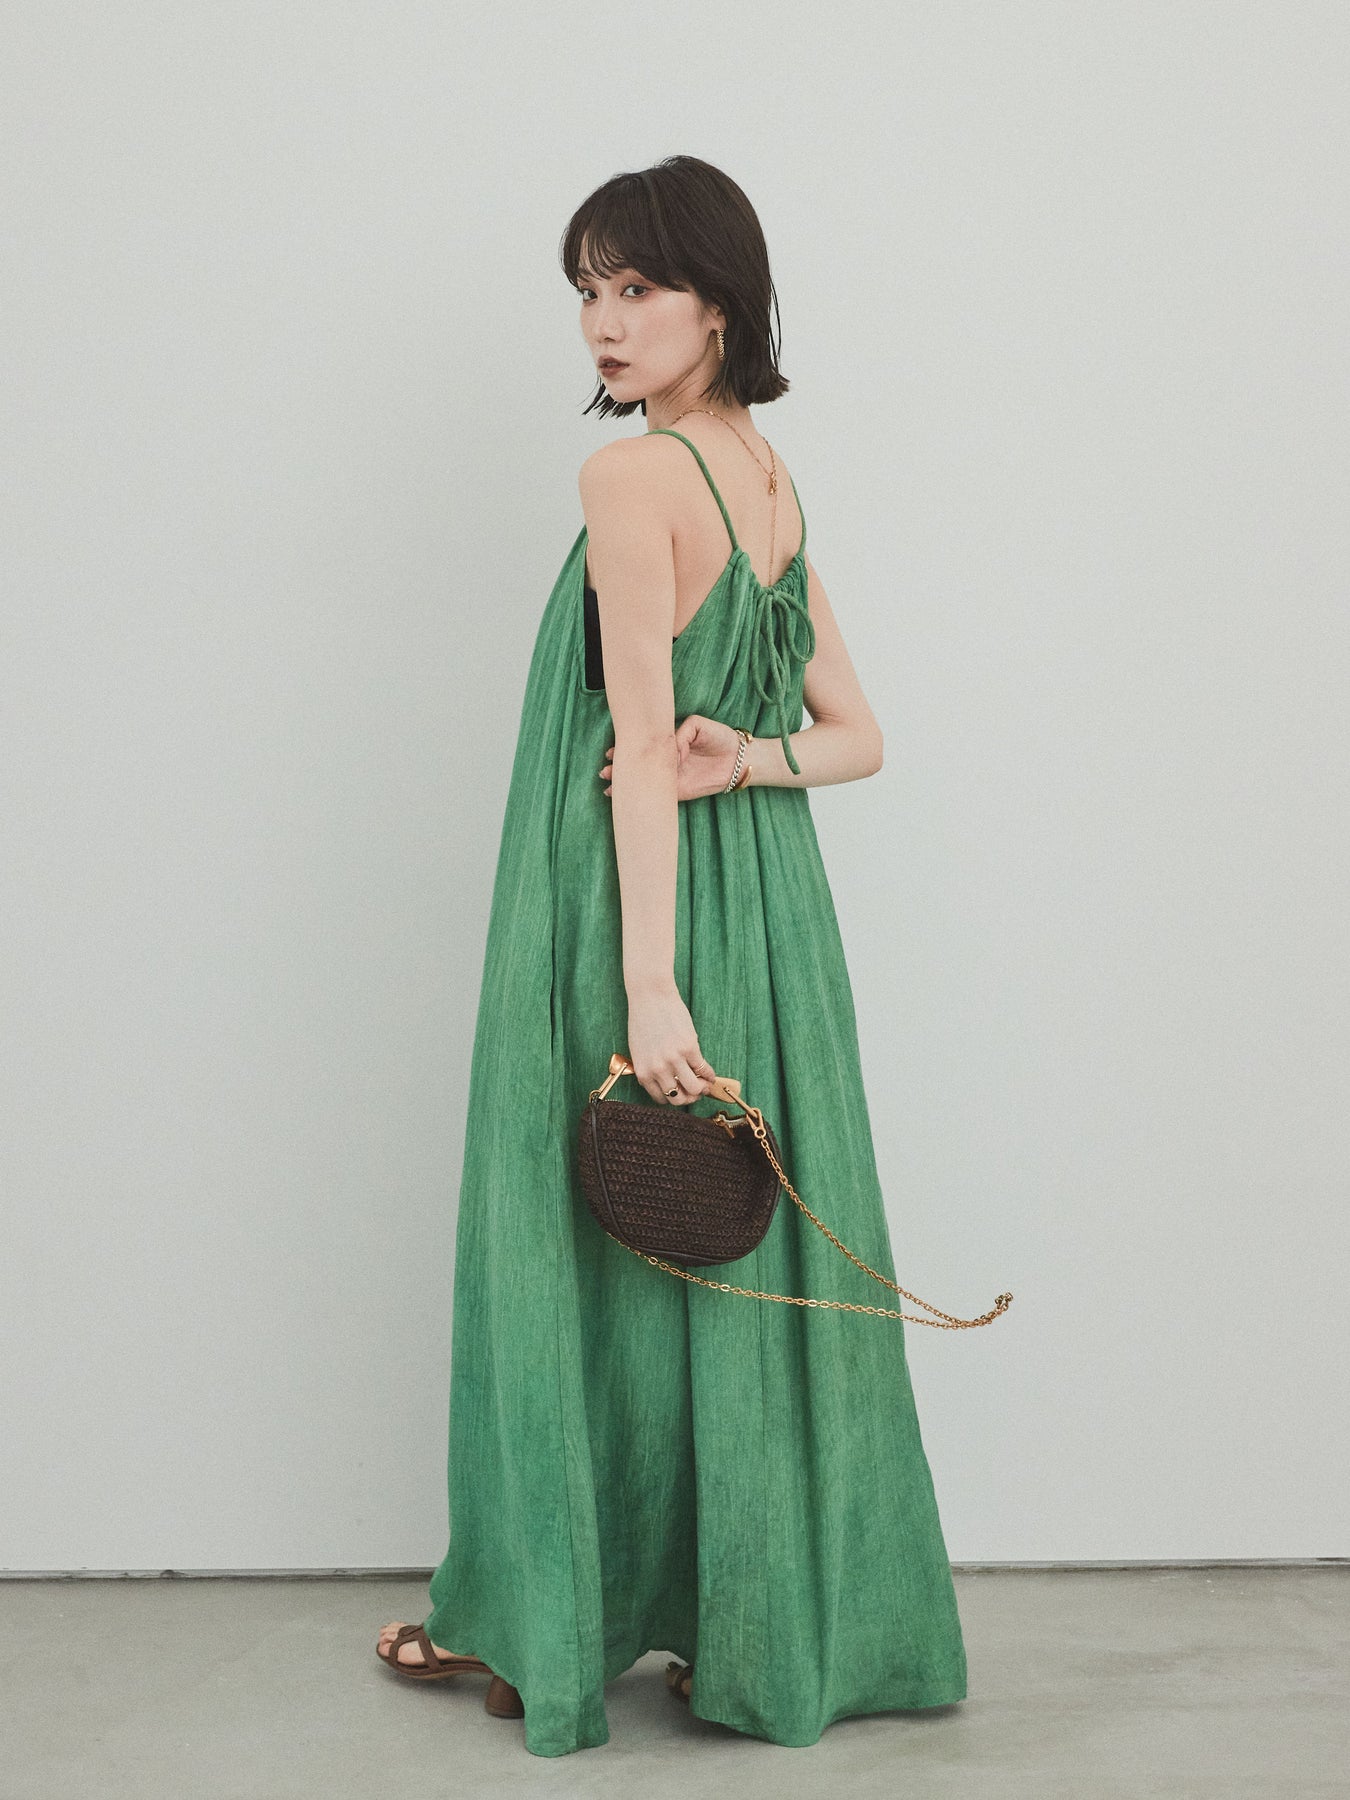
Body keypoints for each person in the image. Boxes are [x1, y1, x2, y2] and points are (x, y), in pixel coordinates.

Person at [375, 154, 968, 1757]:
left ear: (721, 302)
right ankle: (741, 1626)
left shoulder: (632, 481)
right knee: (729, 1249)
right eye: (587, 289)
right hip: (766, 911)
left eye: (638, 287)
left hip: (618, 902)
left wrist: (646, 983)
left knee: (566, 1238)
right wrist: (750, 762)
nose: (604, 321)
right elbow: (853, 740)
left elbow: (639, 748)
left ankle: (538, 1619)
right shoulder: (763, 477)